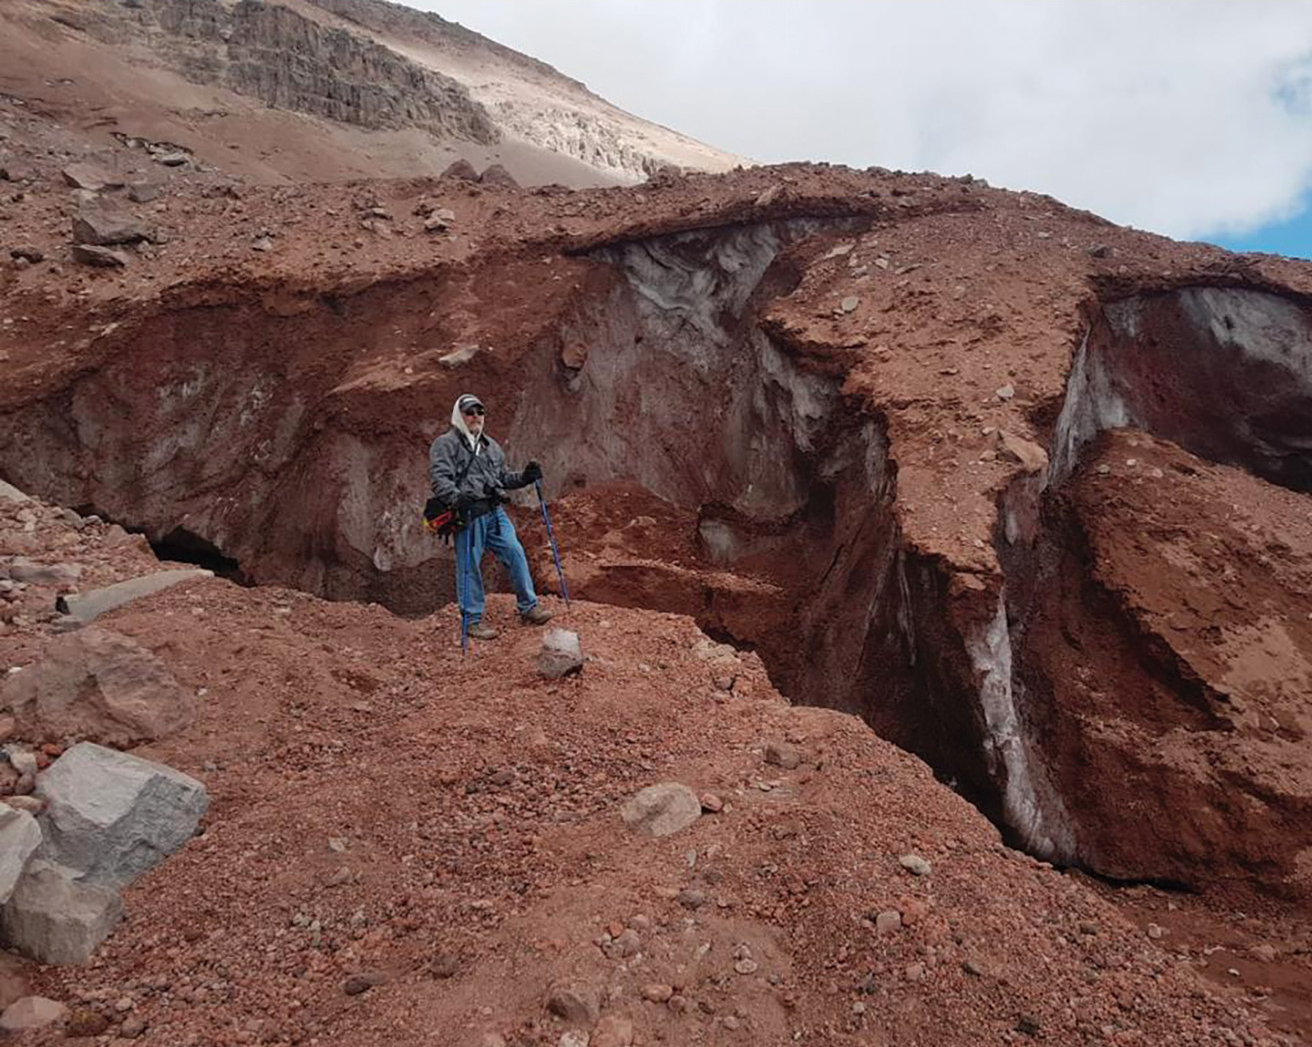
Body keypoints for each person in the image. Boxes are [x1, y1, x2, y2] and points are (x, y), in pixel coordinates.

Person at [429, 393, 553, 639]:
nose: (475, 416)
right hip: (469, 514)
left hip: (495, 512)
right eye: (469, 411)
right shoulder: (445, 444)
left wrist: (526, 477)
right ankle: (473, 620)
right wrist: (457, 497)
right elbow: (439, 479)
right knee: (469, 566)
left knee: (515, 551)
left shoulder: (490, 445)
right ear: (459, 415)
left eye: (479, 411)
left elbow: (503, 478)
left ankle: (529, 607)